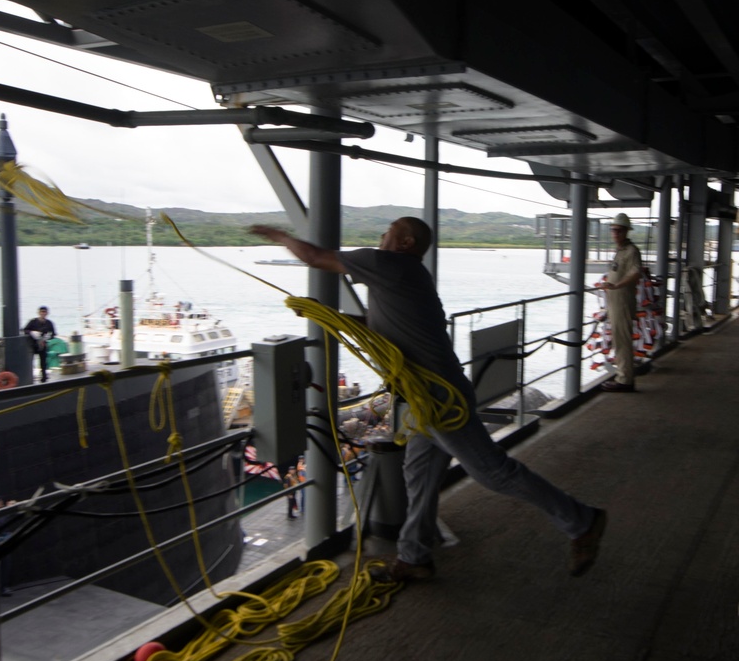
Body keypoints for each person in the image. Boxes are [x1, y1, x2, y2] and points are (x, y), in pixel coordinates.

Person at [250, 218, 607, 581]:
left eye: (387, 230)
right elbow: (380, 323)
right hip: (425, 396)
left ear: (404, 242)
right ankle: (413, 557)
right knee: (418, 473)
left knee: (493, 472)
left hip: (438, 397)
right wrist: (331, 314)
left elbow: (313, 256)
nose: (381, 235)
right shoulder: (407, 274)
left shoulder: (385, 263)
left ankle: (581, 520)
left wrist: (276, 234)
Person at [599, 213, 643, 392]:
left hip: (622, 302)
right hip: (615, 302)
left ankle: (625, 380)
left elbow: (635, 273)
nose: (615, 234)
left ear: (626, 232)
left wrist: (617, 285)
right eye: (613, 230)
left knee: (622, 340)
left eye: (618, 230)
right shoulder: (620, 251)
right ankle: (622, 376)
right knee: (618, 340)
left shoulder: (631, 251)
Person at [23, 306, 56, 382]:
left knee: (43, 362)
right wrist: (31, 332)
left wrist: (48, 337)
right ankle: (29, 377)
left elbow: (53, 334)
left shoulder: (49, 323)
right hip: (32, 345)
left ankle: (44, 377)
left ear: (47, 313)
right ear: (38, 313)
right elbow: (25, 330)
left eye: (44, 312)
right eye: (41, 312)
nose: (43, 313)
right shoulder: (33, 321)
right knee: (31, 361)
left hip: (42, 344)